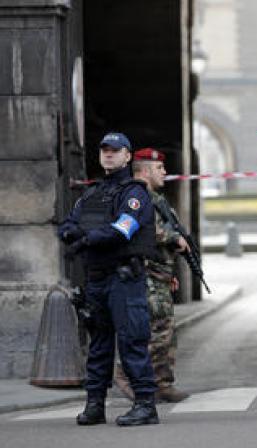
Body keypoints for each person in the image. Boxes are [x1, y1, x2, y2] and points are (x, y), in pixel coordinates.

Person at [58, 132, 160, 426]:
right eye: (104, 150)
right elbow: (67, 225)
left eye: (115, 150)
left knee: (132, 341)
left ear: (128, 156)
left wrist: (85, 238)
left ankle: (145, 405)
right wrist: (78, 235)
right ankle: (95, 405)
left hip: (124, 278)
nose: (108, 155)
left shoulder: (135, 194)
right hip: (97, 279)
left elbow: (122, 230)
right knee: (99, 344)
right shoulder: (92, 193)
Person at [113, 148, 190, 403]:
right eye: (159, 168)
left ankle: (162, 382)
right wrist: (173, 237)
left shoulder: (156, 198)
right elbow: (141, 228)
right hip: (145, 272)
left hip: (159, 272)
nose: (165, 172)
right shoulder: (136, 196)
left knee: (166, 331)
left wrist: (169, 272)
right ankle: (124, 372)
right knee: (152, 330)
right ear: (145, 170)